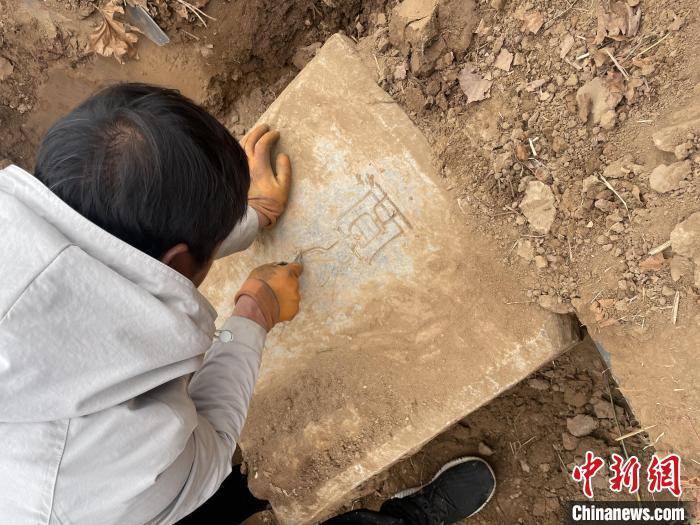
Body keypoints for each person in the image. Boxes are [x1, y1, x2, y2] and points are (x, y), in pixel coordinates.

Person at [0, 83, 495, 525]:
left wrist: (249, 216)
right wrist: (253, 315)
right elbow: (208, 447)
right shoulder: (93, 469)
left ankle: (246, 496)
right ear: (178, 262)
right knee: (208, 488)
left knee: (229, 495)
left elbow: (109, 242)